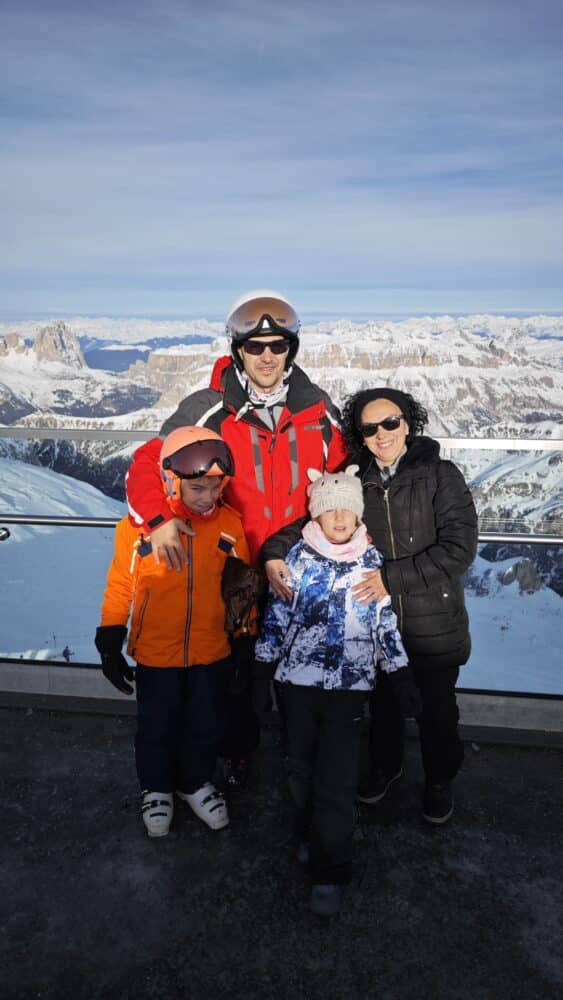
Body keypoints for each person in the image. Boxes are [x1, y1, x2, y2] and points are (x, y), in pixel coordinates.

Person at [125, 291, 347, 784]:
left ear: (292, 349)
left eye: (277, 345)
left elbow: (345, 480)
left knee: (301, 672)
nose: (267, 356)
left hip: (298, 564)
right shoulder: (209, 409)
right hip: (231, 569)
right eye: (255, 347)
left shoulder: (318, 411)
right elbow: (147, 463)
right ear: (237, 350)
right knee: (235, 677)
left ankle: (302, 760)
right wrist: (159, 518)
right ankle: (236, 755)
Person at [261, 388, 478, 826]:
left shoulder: (440, 475)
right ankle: (385, 766)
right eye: (369, 428)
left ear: (408, 423)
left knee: (437, 711)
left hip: (432, 622)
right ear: (359, 434)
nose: (382, 435)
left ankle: (438, 780)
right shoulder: (354, 478)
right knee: (381, 707)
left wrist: (388, 579)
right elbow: (313, 523)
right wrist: (273, 552)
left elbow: (460, 548)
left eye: (391, 423)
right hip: (370, 621)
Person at [253, 466, 420, 916]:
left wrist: (399, 672)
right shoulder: (298, 560)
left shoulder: (371, 562)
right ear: (316, 515)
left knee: (337, 777)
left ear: (359, 515)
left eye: (348, 510)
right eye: (331, 511)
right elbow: (276, 618)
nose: (341, 519)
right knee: (299, 767)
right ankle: (309, 834)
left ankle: (331, 867)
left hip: (349, 687)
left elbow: (384, 623)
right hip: (298, 685)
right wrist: (261, 670)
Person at [95, 427, 257, 838]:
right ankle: (157, 787)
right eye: (197, 487)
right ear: (171, 480)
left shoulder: (228, 525)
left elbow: (242, 589)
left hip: (210, 649)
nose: (207, 497)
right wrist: (111, 634)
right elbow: (121, 584)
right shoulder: (138, 530)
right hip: (156, 651)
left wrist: (243, 638)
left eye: (215, 487)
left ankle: (194, 783)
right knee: (156, 726)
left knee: (204, 724)